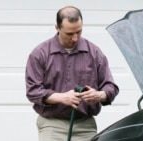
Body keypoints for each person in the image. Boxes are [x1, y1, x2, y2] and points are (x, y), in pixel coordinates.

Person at [25, 5, 119, 141]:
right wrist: (61, 97)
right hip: (52, 125)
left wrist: (99, 95)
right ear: (57, 28)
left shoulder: (95, 53)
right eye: (69, 34)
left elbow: (111, 87)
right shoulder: (39, 54)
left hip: (85, 125)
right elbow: (33, 92)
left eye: (79, 32)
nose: (75, 38)